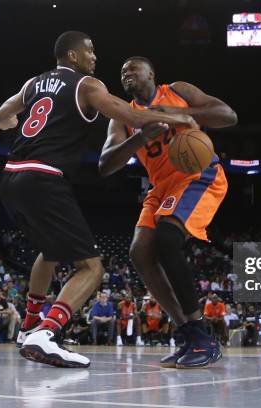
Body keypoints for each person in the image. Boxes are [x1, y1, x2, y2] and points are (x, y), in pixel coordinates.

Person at [0, 31, 197, 368]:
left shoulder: (33, 83)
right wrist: (178, 117)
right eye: (89, 51)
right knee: (91, 268)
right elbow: (128, 114)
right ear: (72, 56)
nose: (94, 57)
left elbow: (3, 111)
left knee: (51, 251)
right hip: (44, 178)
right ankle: (47, 333)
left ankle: (28, 324)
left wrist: (6, 120)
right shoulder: (88, 86)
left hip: (11, 178)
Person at [99, 56, 237, 368]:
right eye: (122, 70)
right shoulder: (123, 116)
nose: (127, 72)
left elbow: (228, 115)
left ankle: (200, 333)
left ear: (151, 73)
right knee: (139, 253)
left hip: (198, 174)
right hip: (161, 187)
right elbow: (105, 164)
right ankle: (191, 333)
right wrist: (140, 137)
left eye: (133, 67)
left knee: (166, 238)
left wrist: (176, 112)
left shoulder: (178, 90)